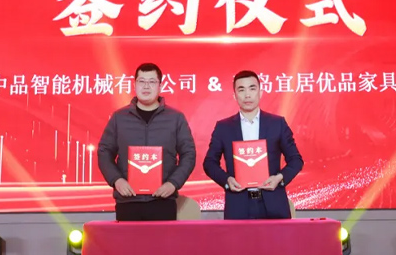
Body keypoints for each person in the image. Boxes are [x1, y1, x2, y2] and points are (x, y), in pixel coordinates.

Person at [97, 62, 197, 221]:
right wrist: (117, 180)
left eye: (152, 82)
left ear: (160, 86)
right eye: (141, 81)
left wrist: (173, 183)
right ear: (134, 84)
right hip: (128, 200)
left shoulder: (175, 118)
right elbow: (104, 152)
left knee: (162, 239)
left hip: (163, 200)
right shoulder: (119, 118)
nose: (146, 86)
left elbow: (189, 154)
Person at [202, 70, 304, 219]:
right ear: (234, 95)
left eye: (252, 88)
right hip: (238, 205)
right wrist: (227, 180)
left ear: (260, 92)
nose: (247, 95)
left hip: (273, 203)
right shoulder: (223, 127)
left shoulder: (277, 123)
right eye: (241, 90)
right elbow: (209, 163)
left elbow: (296, 160)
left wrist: (279, 178)